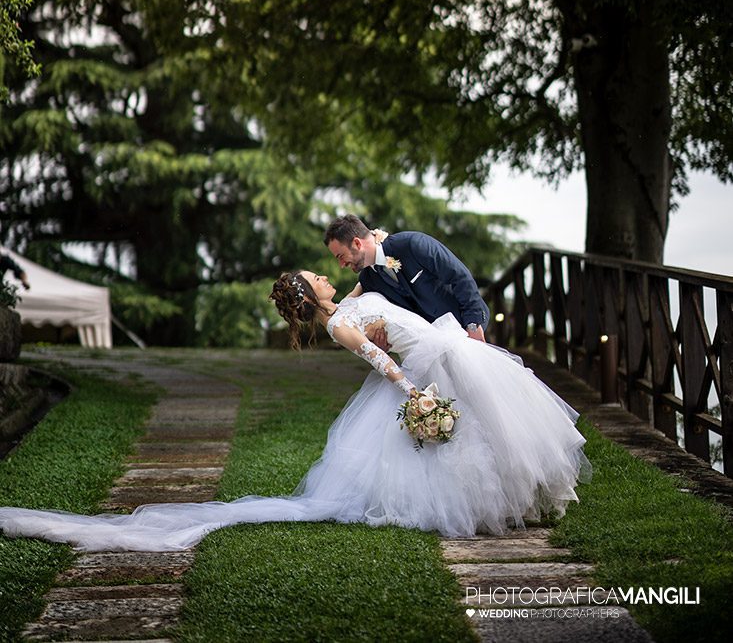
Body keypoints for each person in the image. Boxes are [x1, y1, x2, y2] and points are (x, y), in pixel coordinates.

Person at [0, 272, 590, 551]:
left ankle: (519, 497)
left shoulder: (348, 301)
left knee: (490, 428)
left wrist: (377, 248)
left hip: (440, 351)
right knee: (461, 439)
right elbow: (374, 355)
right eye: (316, 275)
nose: (324, 272)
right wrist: (411, 389)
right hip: (421, 366)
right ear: (312, 295)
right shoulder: (338, 322)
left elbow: (367, 286)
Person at [324, 214, 490, 342]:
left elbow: (459, 276)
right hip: (431, 344)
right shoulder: (368, 280)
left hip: (465, 324)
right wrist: (383, 345)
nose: (341, 264)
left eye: (341, 256)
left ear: (357, 243)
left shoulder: (413, 244)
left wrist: (473, 325)